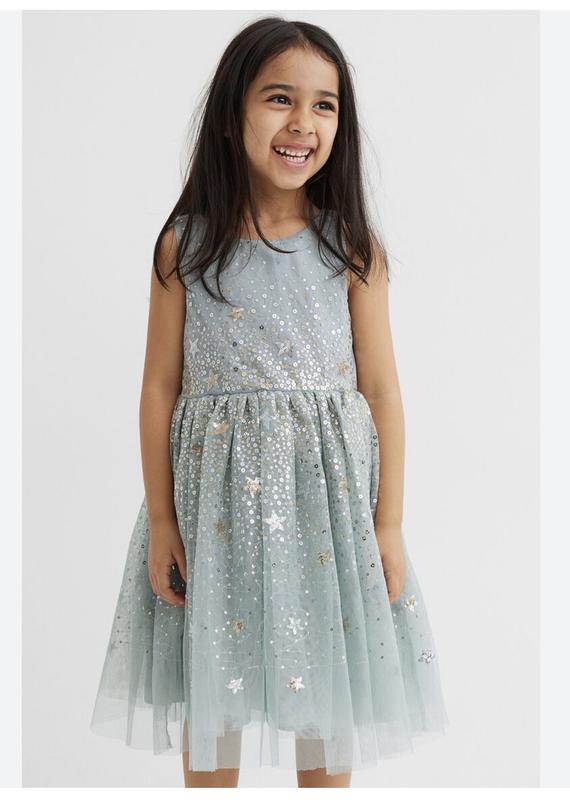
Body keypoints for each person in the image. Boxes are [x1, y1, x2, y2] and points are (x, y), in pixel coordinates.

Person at [90, 15, 449, 789]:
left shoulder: (350, 248)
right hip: (212, 513)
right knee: (211, 695)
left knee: (328, 700)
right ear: (232, 115)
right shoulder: (185, 246)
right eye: (279, 98)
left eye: (324, 105)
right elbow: (159, 387)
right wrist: (163, 520)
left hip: (326, 514)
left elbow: (381, 391)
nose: (302, 123)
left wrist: (387, 524)